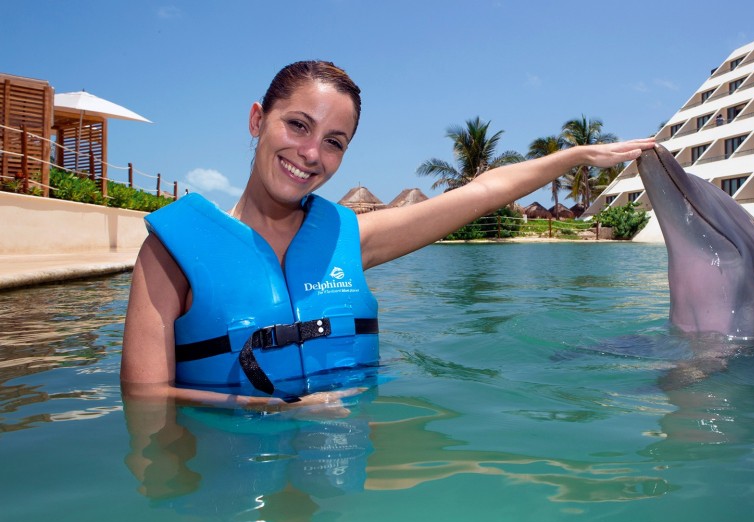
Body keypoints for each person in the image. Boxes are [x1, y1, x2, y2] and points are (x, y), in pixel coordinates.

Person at [120, 60, 656, 412]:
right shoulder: (171, 252)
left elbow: (480, 192)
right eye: (297, 125)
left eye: (334, 142)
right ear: (258, 119)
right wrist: (266, 408)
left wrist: (577, 155)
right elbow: (144, 401)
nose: (311, 155)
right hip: (228, 471)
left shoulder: (352, 239)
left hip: (346, 456)